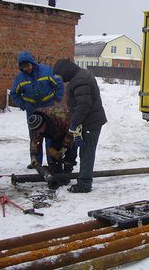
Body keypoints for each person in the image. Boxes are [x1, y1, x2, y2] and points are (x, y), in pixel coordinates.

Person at [53, 59, 107, 193]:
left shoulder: (79, 80)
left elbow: (84, 105)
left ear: (66, 72)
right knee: (85, 151)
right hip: (90, 121)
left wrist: (74, 124)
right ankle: (83, 180)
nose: (63, 80)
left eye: (61, 76)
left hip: (90, 122)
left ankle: (84, 184)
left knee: (86, 153)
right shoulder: (80, 76)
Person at [10, 51, 64, 168]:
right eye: (24, 68)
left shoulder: (47, 71)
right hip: (32, 111)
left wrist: (57, 100)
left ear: (33, 63)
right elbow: (14, 94)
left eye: (28, 66)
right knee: (35, 136)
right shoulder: (20, 78)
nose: (27, 69)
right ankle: (36, 162)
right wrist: (23, 105)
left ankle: (52, 162)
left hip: (49, 108)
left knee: (51, 135)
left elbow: (59, 84)